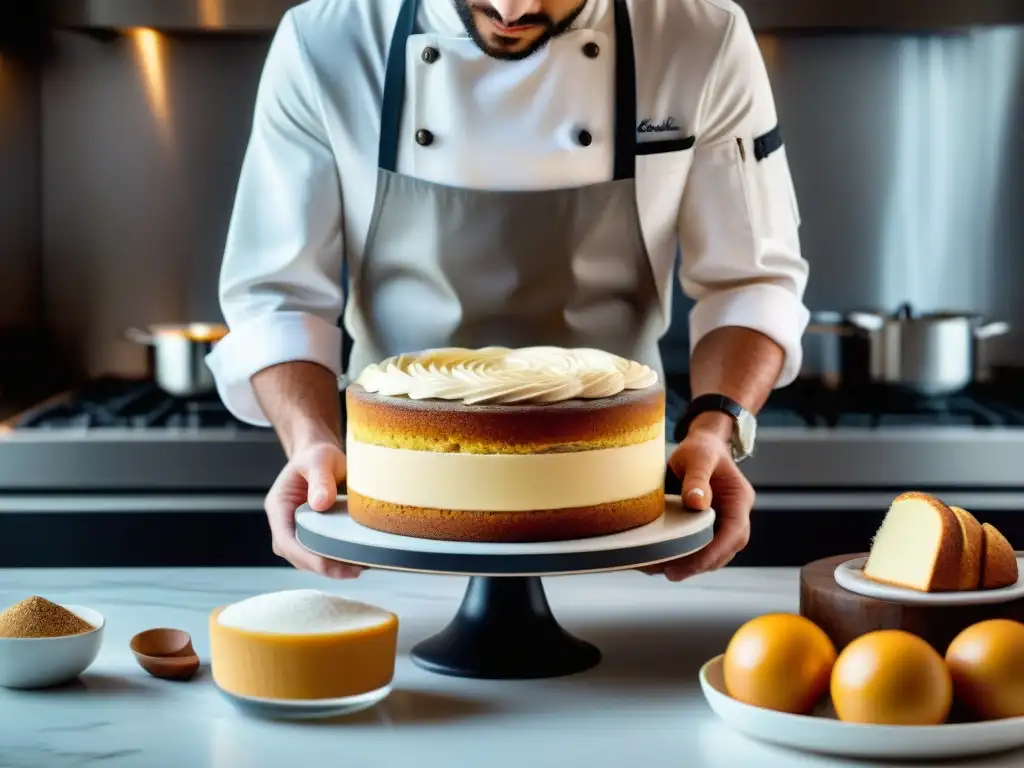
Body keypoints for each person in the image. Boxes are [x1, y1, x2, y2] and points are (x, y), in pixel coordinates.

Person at [206, 0, 809, 582]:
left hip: (620, 537)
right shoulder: (326, 41)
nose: (513, 8)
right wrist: (311, 442)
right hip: (393, 537)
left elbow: (750, 281)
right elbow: (278, 296)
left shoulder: (701, 39)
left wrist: (714, 430)